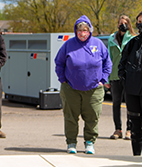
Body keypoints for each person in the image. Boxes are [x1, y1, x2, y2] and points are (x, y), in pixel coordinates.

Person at [55, 15, 112, 155]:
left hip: (94, 89)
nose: (82, 33)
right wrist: (62, 79)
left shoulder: (98, 44)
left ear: (90, 31)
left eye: (85, 30)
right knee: (71, 117)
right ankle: (71, 142)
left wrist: (103, 80)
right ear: (75, 31)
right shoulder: (68, 45)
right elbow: (59, 63)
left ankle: (90, 142)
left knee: (92, 116)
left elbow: (107, 63)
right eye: (79, 30)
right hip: (71, 89)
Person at [105, 15, 135, 140]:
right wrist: (106, 78)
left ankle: (129, 129)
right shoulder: (112, 39)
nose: (122, 25)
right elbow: (108, 59)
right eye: (120, 23)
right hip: (115, 75)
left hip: (129, 76)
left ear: (129, 24)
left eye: (125, 23)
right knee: (116, 103)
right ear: (117, 25)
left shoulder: (133, 38)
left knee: (130, 104)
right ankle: (118, 129)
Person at [118, 12, 142, 156]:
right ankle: (136, 155)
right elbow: (122, 64)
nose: (140, 24)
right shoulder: (132, 43)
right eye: (139, 21)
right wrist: (124, 80)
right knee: (135, 125)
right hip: (132, 90)